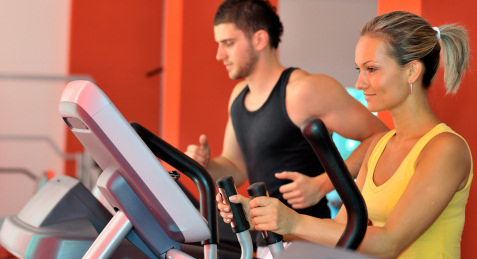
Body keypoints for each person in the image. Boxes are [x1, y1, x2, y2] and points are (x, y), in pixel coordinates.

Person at [219, 10, 473, 259]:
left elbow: (390, 243)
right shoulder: (380, 146)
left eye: (371, 69)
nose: (361, 83)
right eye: (359, 70)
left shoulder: (446, 149)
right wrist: (260, 217)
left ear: (412, 72)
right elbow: (342, 232)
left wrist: (293, 222)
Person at [186, 0, 388, 255]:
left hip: (309, 242)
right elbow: (236, 167)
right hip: (265, 243)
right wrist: (206, 167)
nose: (219, 54)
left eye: (228, 43)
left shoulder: (304, 90)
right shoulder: (238, 97)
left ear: (259, 40)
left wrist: (323, 184)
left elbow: (380, 136)